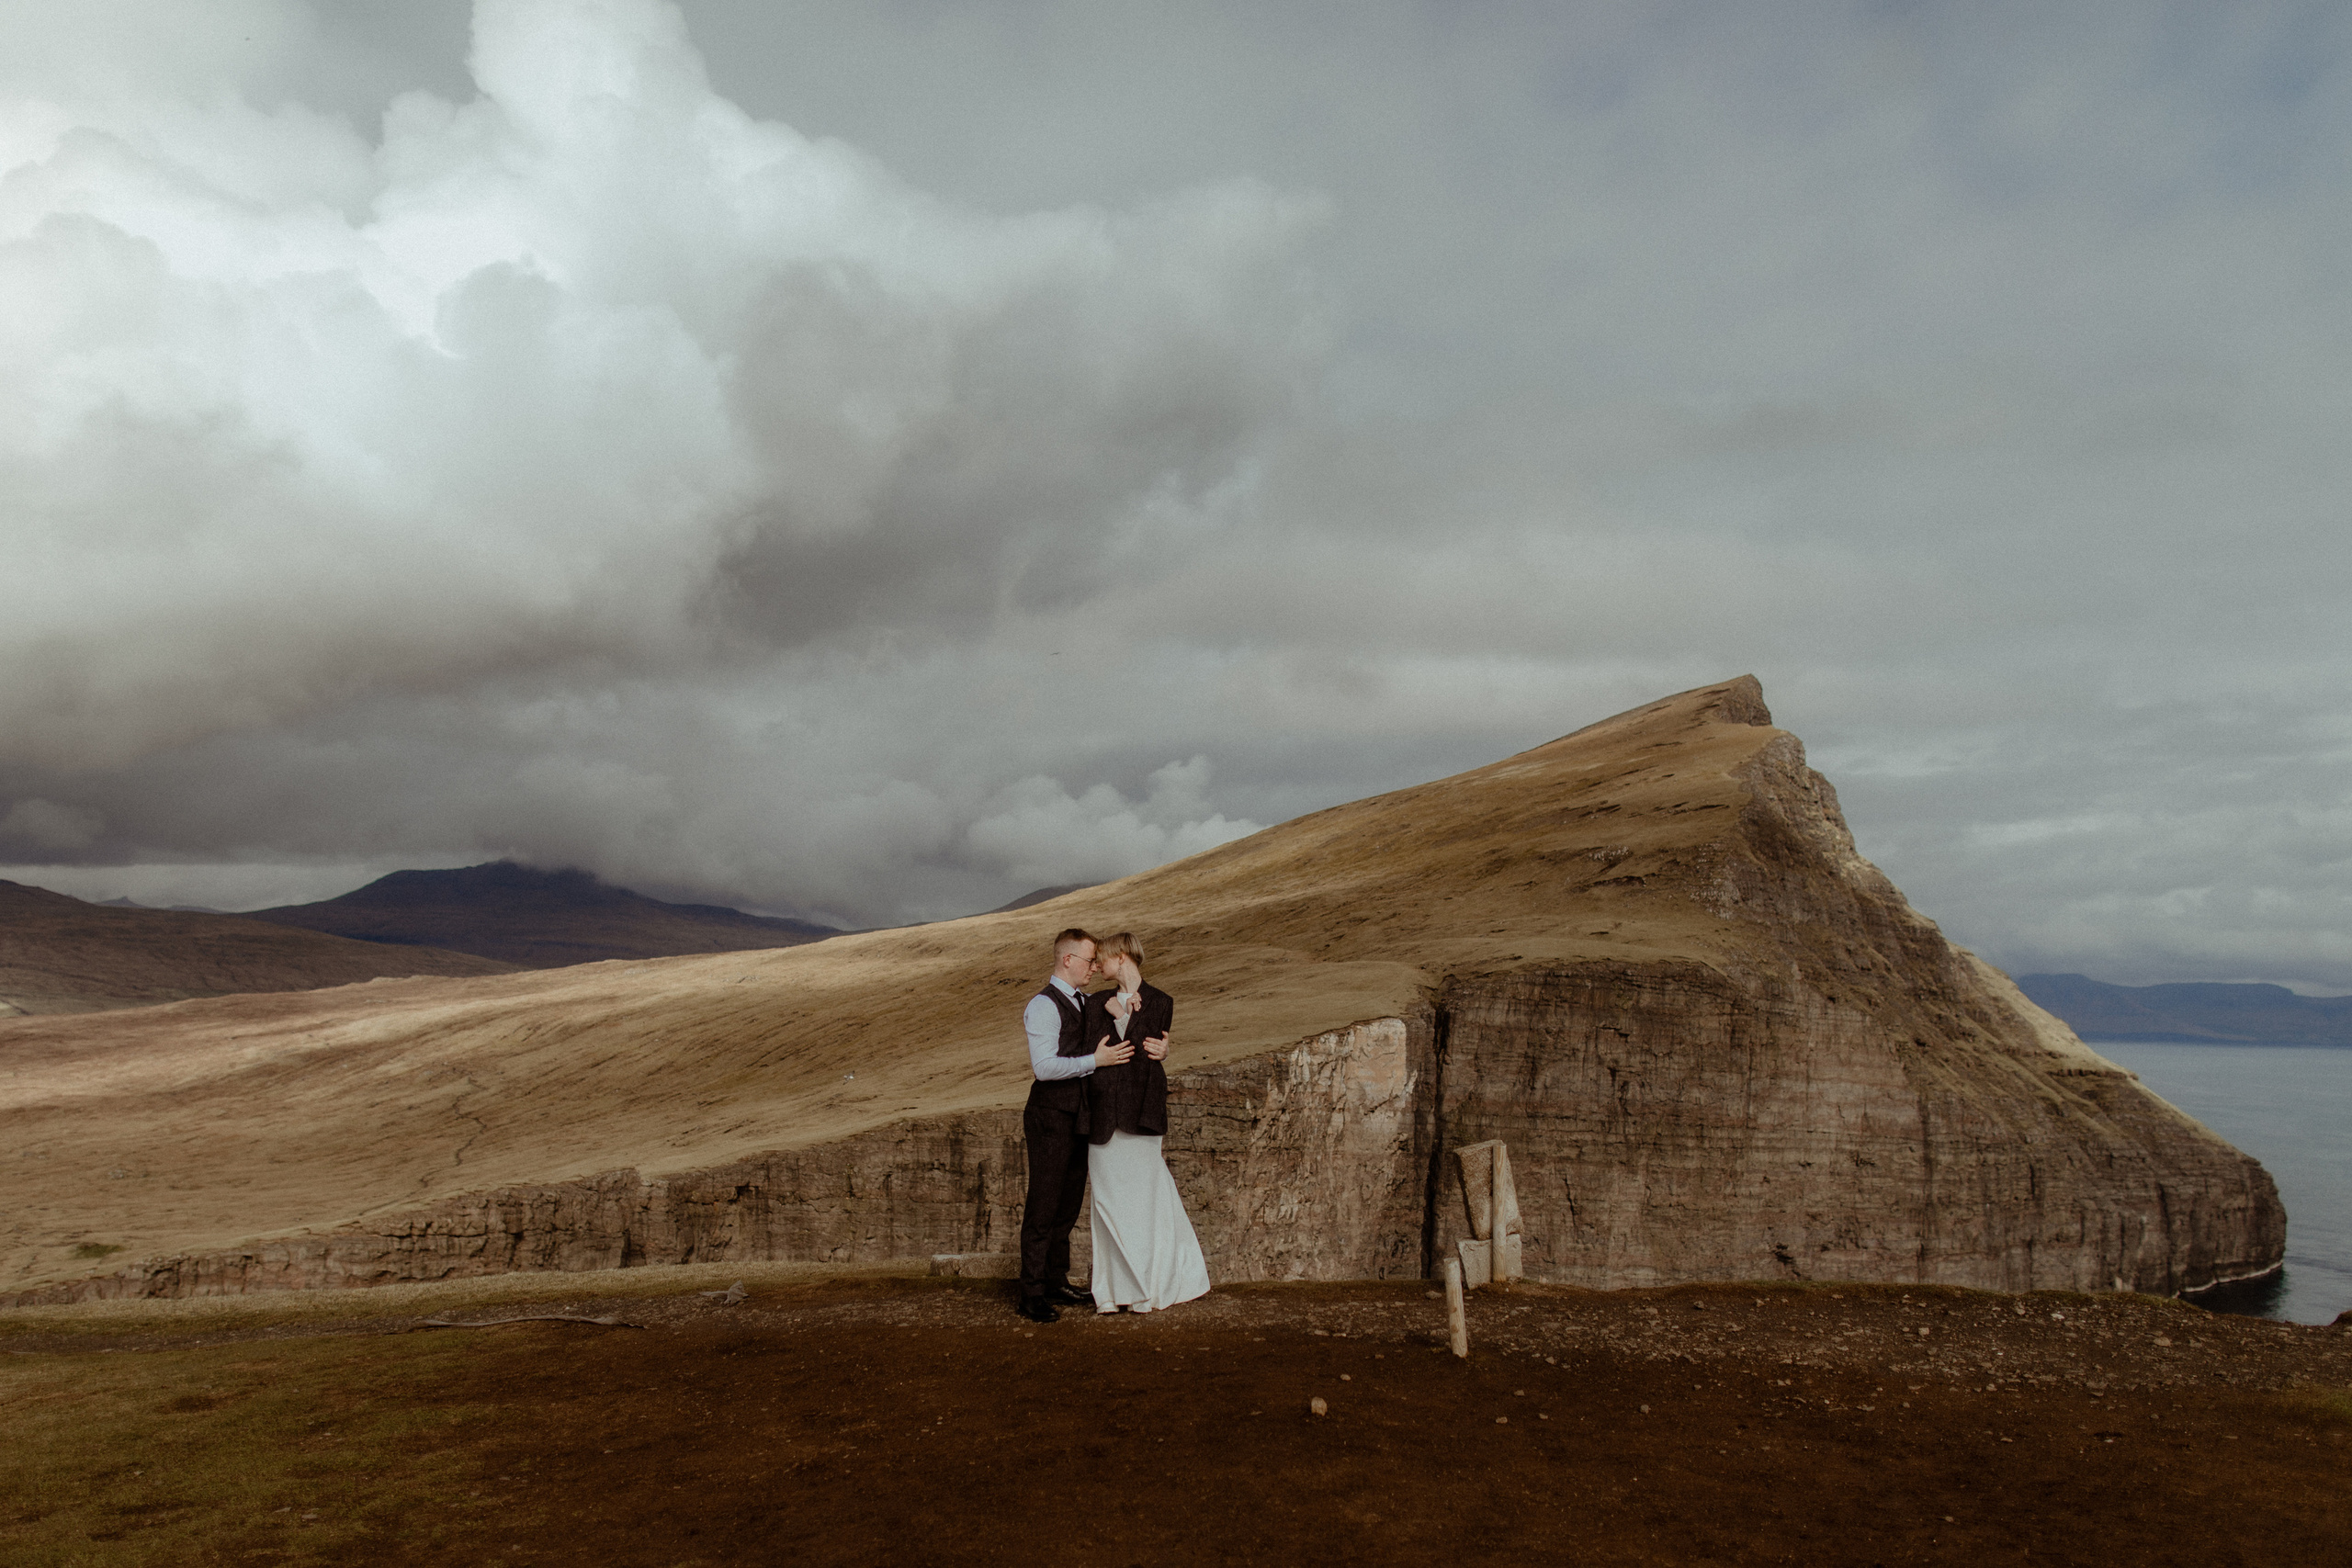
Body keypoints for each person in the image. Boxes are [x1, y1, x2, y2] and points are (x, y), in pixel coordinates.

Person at [1015, 927, 1161, 1323]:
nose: (1095, 967)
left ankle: (1054, 1280)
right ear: (1068, 960)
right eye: (1089, 960)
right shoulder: (1043, 1006)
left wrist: (1160, 1043)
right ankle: (1031, 1293)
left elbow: (1133, 1030)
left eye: (1098, 961)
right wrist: (1094, 1062)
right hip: (1050, 1116)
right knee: (1044, 1204)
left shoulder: (1091, 1002)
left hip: (1082, 1117)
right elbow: (1044, 1067)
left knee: (1067, 1205)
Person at [1081, 932, 1210, 1314]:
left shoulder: (1161, 1002)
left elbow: (1145, 1051)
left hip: (1142, 1112)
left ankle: (1146, 1290)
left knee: (1144, 1203)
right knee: (1106, 1202)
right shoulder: (1094, 1003)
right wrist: (1120, 1017)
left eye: (1102, 958)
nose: (1096, 966)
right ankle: (1109, 1293)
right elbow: (1095, 1050)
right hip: (1104, 1113)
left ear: (1121, 957)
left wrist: (1124, 1018)